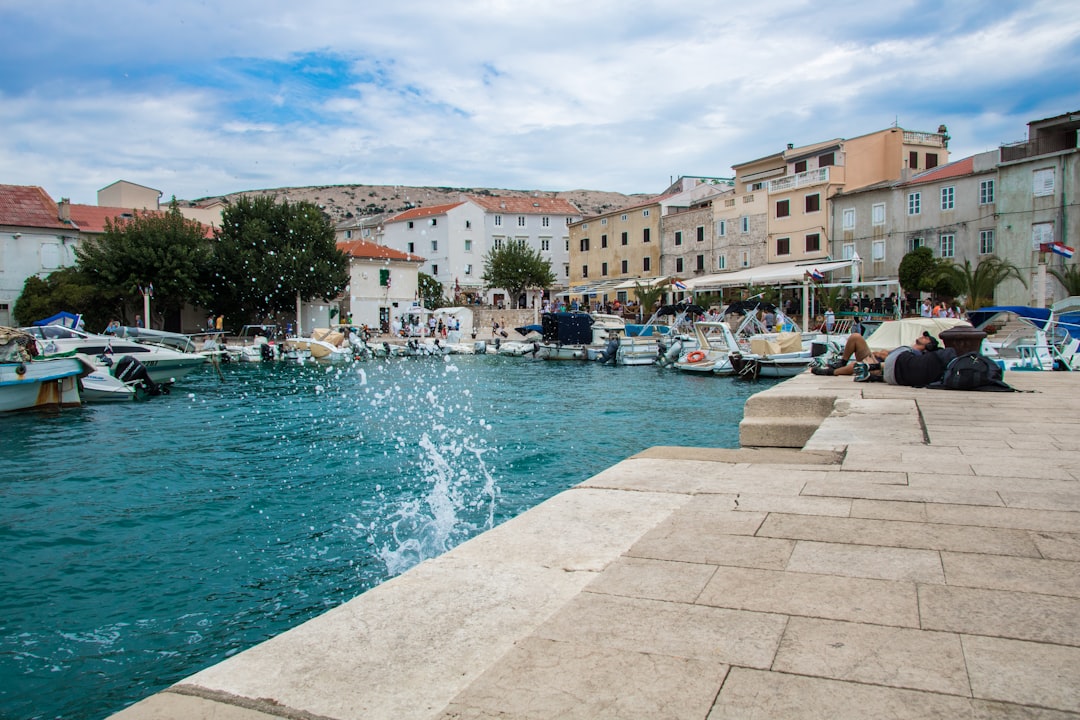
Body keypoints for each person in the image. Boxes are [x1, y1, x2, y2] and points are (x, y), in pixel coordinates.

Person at [812, 332, 955, 387]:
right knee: (856, 337)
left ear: (927, 345)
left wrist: (880, 357)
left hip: (881, 368)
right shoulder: (907, 348)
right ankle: (842, 362)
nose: (922, 336)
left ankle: (830, 372)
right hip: (875, 358)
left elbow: (894, 362)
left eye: (926, 337)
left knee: (858, 364)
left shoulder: (916, 356)